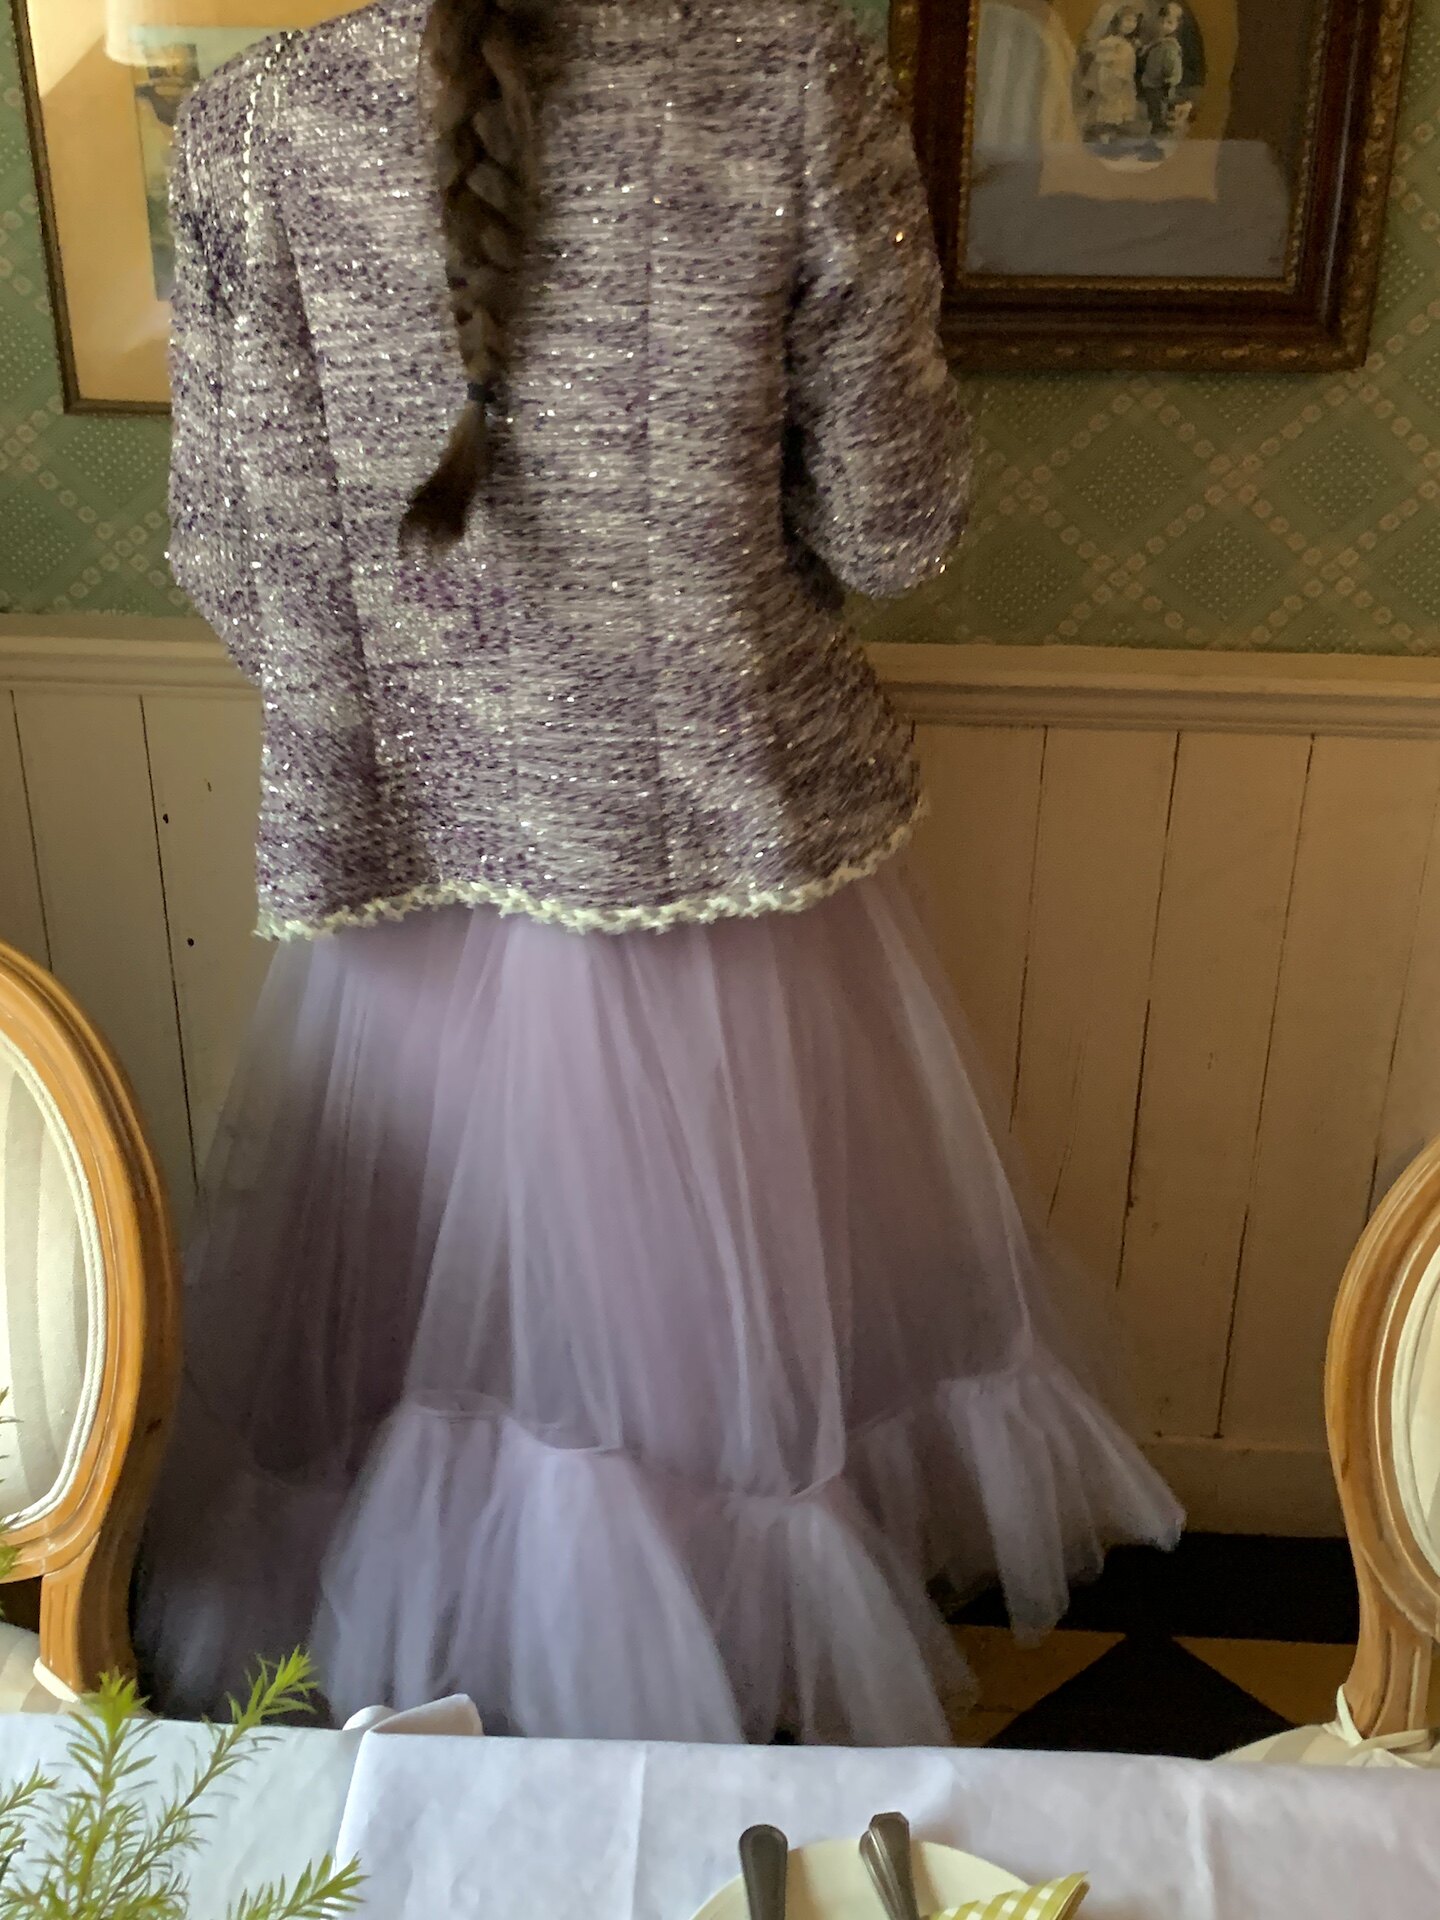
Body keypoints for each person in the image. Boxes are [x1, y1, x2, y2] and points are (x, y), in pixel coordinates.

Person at [137, 0, 1182, 1745]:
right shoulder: (794, 73)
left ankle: (453, 1735)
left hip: (413, 859)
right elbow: (893, 527)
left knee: (413, 1335)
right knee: (715, 1351)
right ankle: (695, 1709)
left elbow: (224, 552)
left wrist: (439, 699)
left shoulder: (250, 125)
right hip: (711, 862)